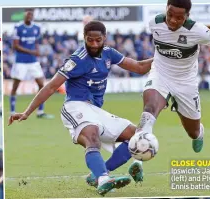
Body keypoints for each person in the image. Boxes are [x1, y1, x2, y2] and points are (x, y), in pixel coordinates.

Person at [9, 21, 153, 196]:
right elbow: (51, 87)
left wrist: (164, 57)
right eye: (89, 40)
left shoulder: (109, 54)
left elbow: (139, 67)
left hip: (95, 110)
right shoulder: (77, 60)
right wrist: (27, 112)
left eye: (98, 40)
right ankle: (103, 180)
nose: (94, 44)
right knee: (92, 136)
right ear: (84, 38)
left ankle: (98, 173)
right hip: (74, 106)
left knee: (135, 136)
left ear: (104, 38)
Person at [135, 0, 210, 153]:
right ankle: (138, 158)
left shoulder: (197, 30)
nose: (173, 20)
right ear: (166, 9)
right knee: (149, 110)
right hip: (160, 75)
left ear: (187, 16)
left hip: (186, 83)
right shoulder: (154, 23)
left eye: (179, 18)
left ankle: (199, 132)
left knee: (192, 132)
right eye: (170, 15)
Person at [9, 8, 53, 119]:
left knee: (41, 85)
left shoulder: (36, 28)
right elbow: (15, 46)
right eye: (28, 14)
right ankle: (12, 111)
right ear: (24, 15)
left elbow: (36, 42)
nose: (29, 16)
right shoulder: (18, 27)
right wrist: (32, 51)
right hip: (20, 61)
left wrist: (36, 51)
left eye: (31, 15)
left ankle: (40, 112)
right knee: (15, 86)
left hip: (33, 62)